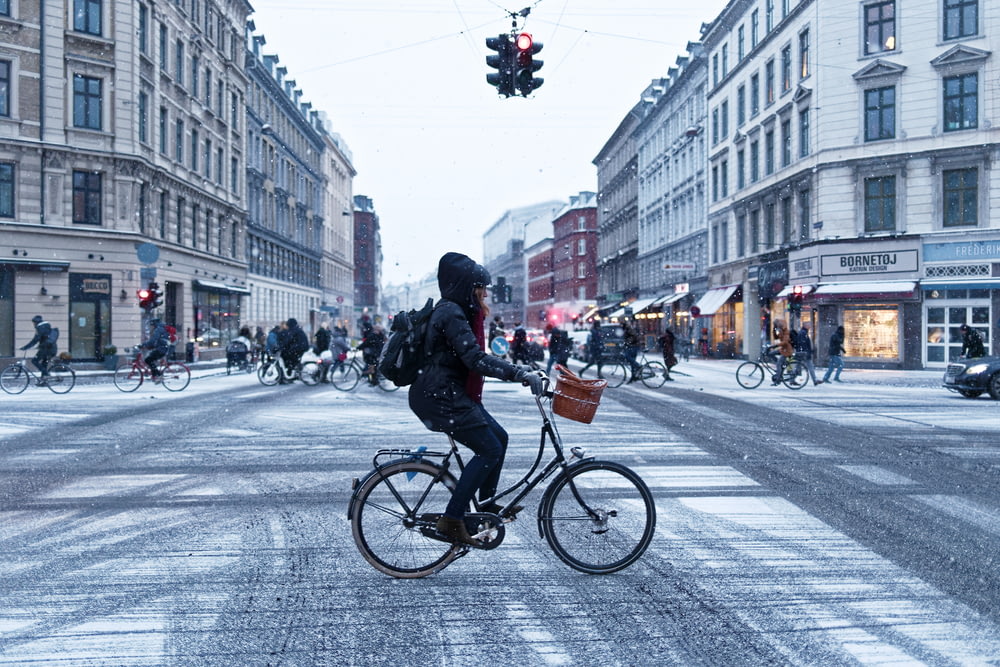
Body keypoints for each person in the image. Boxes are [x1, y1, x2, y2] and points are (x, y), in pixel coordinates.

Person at [409, 252, 541, 546]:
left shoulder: (456, 311)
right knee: (489, 450)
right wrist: (518, 373)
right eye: (480, 287)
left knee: (500, 438)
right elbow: (474, 359)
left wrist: (521, 371)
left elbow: (472, 356)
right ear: (466, 286)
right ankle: (452, 520)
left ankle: (485, 505)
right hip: (440, 397)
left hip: (445, 393)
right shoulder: (451, 313)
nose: (484, 293)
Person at [769, 320, 794, 385]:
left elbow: (785, 342)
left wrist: (775, 345)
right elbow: (776, 338)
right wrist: (774, 330)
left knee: (778, 364)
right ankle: (780, 366)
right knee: (770, 354)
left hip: (787, 350)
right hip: (783, 349)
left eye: (776, 325)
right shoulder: (780, 330)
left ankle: (778, 379)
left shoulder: (786, 331)